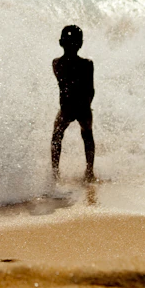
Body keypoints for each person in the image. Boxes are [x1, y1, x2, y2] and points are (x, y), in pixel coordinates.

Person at [51, 24, 95, 182]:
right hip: (83, 106)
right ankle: (89, 172)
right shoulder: (87, 64)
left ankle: (55, 174)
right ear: (81, 43)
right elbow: (90, 90)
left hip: (66, 107)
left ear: (60, 42)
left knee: (57, 135)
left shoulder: (57, 63)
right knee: (87, 135)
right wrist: (87, 105)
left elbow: (64, 85)